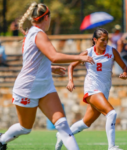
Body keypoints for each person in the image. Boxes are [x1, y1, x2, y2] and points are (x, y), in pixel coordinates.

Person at [0, 2, 94, 150]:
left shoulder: (32, 32)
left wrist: (49, 69)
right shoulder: (38, 34)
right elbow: (54, 56)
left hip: (45, 87)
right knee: (25, 128)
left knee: (62, 125)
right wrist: (79, 57)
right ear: (46, 18)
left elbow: (35, 61)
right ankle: (2, 140)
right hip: (28, 88)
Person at [55, 28, 127, 150]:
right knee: (112, 113)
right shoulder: (88, 53)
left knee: (86, 123)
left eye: (107, 40)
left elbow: (124, 66)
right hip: (92, 89)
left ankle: (61, 134)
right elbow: (71, 66)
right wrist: (70, 81)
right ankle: (112, 147)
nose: (105, 43)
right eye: (102, 40)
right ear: (95, 40)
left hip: (103, 91)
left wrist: (125, 73)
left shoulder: (112, 51)